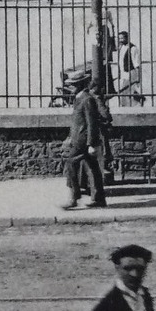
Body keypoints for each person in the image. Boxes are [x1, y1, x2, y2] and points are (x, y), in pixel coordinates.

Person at [61, 67, 108, 209]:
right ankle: (99, 198)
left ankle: (74, 198)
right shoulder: (79, 99)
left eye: (74, 85)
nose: (71, 87)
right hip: (79, 139)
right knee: (93, 168)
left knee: (70, 164)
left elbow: (91, 123)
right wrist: (70, 137)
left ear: (81, 84)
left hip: (83, 141)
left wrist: (91, 144)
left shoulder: (87, 100)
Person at [114, 30, 145, 106]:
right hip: (123, 74)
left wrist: (138, 77)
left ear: (127, 38)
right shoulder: (121, 48)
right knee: (126, 91)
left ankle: (134, 102)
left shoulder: (133, 48)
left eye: (122, 38)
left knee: (126, 92)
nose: (120, 40)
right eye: (119, 38)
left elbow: (136, 64)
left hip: (130, 73)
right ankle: (139, 100)